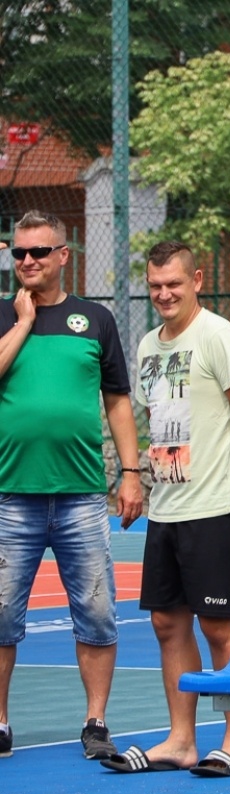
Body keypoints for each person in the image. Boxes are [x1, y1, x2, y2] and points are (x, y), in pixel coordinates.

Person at [102, 240, 230, 776]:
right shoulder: (150, 344)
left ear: (196, 278)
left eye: (174, 283)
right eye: (155, 286)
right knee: (166, 624)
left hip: (215, 508)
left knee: (219, 627)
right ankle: (181, 740)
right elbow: (169, 419)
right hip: (168, 509)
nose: (164, 294)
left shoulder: (220, 336)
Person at [0, 211, 142, 761]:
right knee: (3, 614)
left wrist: (130, 474)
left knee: (97, 610)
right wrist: (22, 322)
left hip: (81, 495)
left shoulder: (96, 320)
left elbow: (117, 402)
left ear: (65, 255)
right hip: (13, 494)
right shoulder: (5, 315)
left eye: (39, 252)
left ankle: (96, 721)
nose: (28, 261)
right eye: (19, 253)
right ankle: (3, 722)